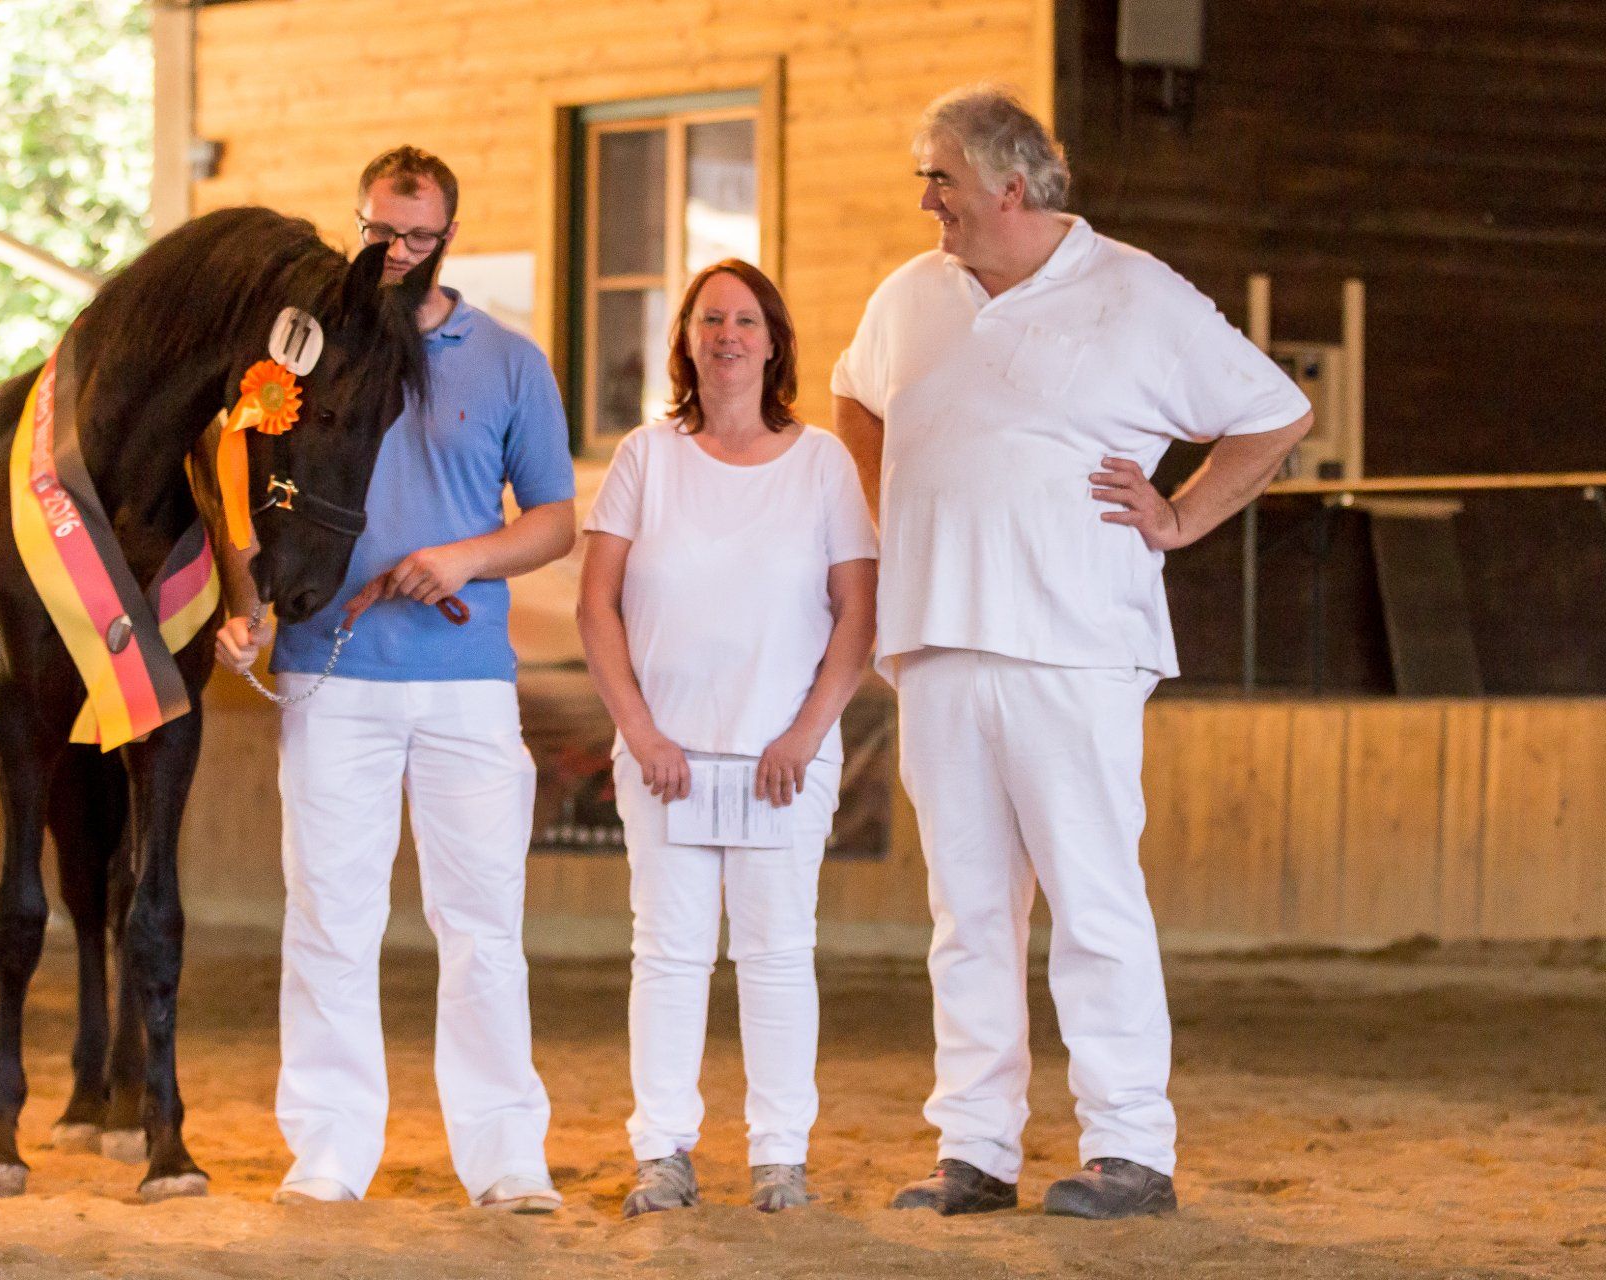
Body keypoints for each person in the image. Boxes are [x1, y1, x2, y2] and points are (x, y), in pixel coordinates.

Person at [832, 86, 1313, 1220]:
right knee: (966, 908)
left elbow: (1275, 411)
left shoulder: (1135, 291)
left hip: (1075, 639)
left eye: (939, 177)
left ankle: (1131, 1145)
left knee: (1093, 896)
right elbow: (855, 399)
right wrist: (883, 509)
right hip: (938, 638)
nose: (926, 199)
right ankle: (976, 1147)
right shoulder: (909, 294)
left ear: (1010, 185)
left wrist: (1183, 517)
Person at [216, 146, 577, 1213]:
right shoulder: (297, 350)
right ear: (356, 224)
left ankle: (508, 1154)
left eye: (420, 237)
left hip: (467, 676)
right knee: (329, 911)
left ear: (447, 238)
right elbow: (246, 480)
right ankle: (327, 1148)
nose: (400, 252)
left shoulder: (509, 359)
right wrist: (246, 600)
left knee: (481, 921)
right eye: (383, 232)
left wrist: (464, 557)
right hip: (331, 668)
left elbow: (555, 519)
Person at [579, 260, 878, 1216]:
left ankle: (779, 1160)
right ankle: (661, 1154)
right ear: (688, 339)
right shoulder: (645, 457)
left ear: (775, 340)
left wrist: (802, 733)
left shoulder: (823, 462)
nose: (729, 335)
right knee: (667, 954)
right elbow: (596, 606)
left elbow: (856, 616)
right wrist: (641, 732)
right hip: (666, 763)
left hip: (779, 769)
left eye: (747, 319)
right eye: (711, 318)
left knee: (779, 952)